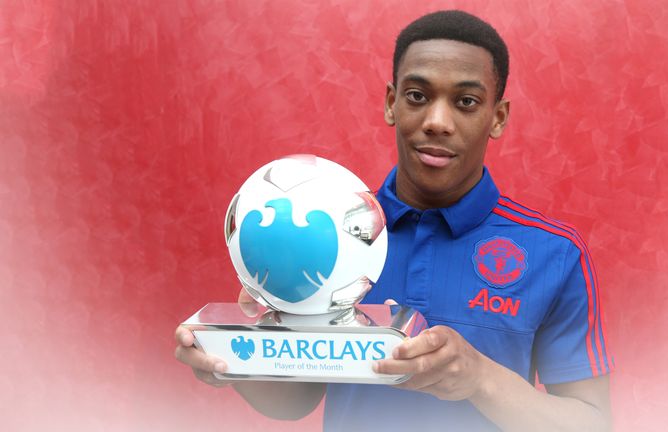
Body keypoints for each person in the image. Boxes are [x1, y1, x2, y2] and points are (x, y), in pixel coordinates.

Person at [175, 10, 613, 431]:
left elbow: (593, 424)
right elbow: (297, 401)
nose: (437, 122)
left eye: (466, 101)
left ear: (496, 117)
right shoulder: (323, 232)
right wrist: (234, 362)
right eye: (418, 96)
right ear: (392, 103)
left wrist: (480, 378)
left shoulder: (554, 253)